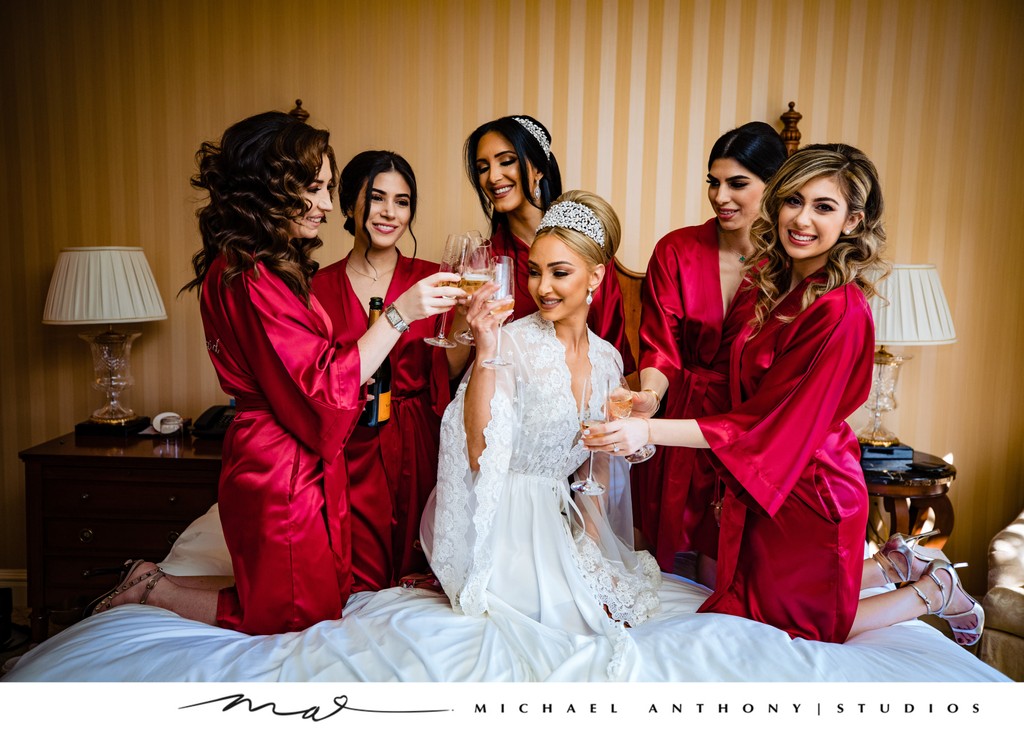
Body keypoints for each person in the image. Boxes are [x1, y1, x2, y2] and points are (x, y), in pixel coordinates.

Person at [585, 144, 984, 646]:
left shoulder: (840, 312)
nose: (801, 219)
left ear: (853, 222)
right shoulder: (770, 286)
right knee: (746, 603)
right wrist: (651, 398)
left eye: (824, 207)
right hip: (765, 480)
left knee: (798, 626)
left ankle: (934, 591)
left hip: (810, 486)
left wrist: (647, 431)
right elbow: (733, 392)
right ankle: (892, 563)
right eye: (792, 200)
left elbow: (763, 423)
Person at [86, 112, 462, 634]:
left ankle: (150, 581)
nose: (329, 206)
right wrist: (398, 315)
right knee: (293, 615)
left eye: (331, 189)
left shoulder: (259, 264)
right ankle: (156, 588)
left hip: (299, 453)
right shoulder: (253, 273)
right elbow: (325, 385)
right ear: (271, 186)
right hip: (280, 462)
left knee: (319, 594)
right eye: (317, 189)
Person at [421, 190, 661, 678]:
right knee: (554, 628)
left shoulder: (610, 360)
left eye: (560, 272)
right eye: (534, 271)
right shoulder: (508, 343)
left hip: (557, 520)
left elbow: (595, 474)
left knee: (605, 609)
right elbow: (476, 455)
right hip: (498, 523)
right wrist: (486, 346)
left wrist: (591, 557)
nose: (543, 287)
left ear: (595, 276)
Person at [632, 122, 787, 584]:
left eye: (737, 183)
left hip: (746, 424)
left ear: (775, 185)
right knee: (654, 565)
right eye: (713, 182)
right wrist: (648, 401)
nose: (721, 196)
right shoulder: (676, 250)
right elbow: (660, 347)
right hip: (676, 415)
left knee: (718, 570)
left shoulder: (791, 266)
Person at [313, 151, 469, 590]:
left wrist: (469, 329)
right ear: (349, 205)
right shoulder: (316, 287)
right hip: (350, 445)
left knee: (419, 576)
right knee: (356, 580)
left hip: (418, 439)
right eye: (377, 198)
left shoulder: (435, 279)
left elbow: (444, 370)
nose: (389, 213)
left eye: (402, 202)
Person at [464, 115, 635, 372]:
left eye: (507, 161)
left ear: (539, 169)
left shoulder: (586, 242)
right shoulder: (484, 262)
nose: (493, 177)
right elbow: (466, 364)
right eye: (483, 167)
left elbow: (614, 346)